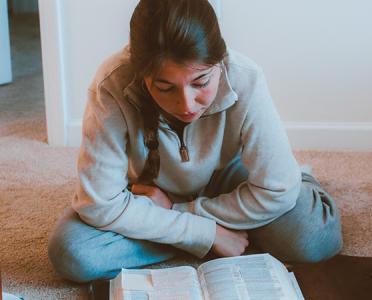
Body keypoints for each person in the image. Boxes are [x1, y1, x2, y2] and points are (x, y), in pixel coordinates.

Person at [48, 0, 342, 283]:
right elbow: (100, 203)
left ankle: (292, 183)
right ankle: (222, 235)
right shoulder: (111, 85)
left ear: (220, 60)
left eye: (201, 83)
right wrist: (206, 233)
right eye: (164, 87)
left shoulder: (245, 78)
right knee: (74, 252)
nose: (186, 104)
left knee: (313, 238)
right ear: (142, 75)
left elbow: (276, 189)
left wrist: (178, 214)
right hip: (150, 191)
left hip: (224, 182)